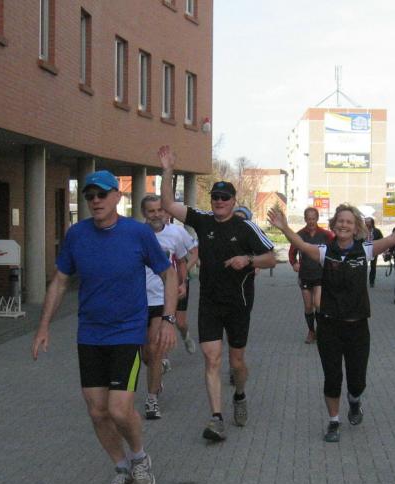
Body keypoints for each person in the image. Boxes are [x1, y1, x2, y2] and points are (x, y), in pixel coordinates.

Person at [32, 170, 178, 484]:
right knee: (97, 410)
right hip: (90, 334)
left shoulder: (138, 233)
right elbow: (60, 281)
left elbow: (168, 274)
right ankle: (121, 468)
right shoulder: (77, 235)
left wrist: (168, 320)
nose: (95, 200)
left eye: (102, 194)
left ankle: (140, 459)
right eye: (90, 196)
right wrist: (43, 326)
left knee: (119, 409)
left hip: (128, 332)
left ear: (117, 197)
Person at [268, 203, 395, 443]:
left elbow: (393, 239)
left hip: (357, 327)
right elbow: (301, 245)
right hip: (329, 326)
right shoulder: (325, 251)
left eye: (349, 222)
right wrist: (285, 228)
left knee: (357, 379)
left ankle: (354, 400)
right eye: (340, 221)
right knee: (332, 377)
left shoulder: (365, 250)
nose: (344, 225)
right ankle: (333, 421)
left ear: (356, 227)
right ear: (334, 224)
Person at [157, 145, 277, 441]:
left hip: (238, 304)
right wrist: (167, 170)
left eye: (225, 198)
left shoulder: (246, 228)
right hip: (209, 303)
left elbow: (271, 258)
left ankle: (239, 394)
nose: (220, 202)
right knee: (211, 359)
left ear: (234, 201)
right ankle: (216, 419)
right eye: (215, 197)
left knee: (236, 363)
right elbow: (168, 204)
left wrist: (247, 260)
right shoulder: (202, 220)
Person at [140, 194, 193, 420]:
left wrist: (182, 283)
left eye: (160, 210)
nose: (156, 215)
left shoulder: (176, 234)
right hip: (137, 301)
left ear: (166, 212)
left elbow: (181, 261)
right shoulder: (137, 234)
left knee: (154, 351)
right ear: (144, 213)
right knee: (145, 355)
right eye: (151, 211)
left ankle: (152, 399)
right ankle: (157, 378)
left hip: (161, 300)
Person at [287, 207, 335, 343]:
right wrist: (294, 263)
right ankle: (311, 331)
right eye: (309, 219)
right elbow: (292, 252)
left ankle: (321, 330)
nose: (311, 221)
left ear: (317, 218)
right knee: (308, 306)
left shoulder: (326, 235)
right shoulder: (299, 235)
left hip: (320, 274)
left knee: (318, 304)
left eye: (313, 219)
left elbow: (335, 249)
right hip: (305, 274)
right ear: (305, 219)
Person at [364, 217, 384, 288]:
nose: (366, 223)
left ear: (372, 223)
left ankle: (371, 281)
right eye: (366, 222)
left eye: (368, 222)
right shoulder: (362, 231)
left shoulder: (377, 231)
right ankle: (362, 281)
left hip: (374, 250)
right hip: (364, 251)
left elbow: (381, 240)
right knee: (363, 267)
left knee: (373, 266)